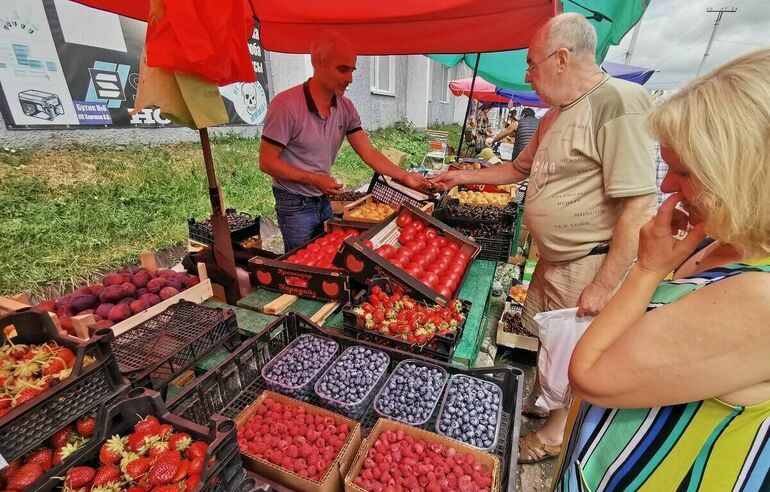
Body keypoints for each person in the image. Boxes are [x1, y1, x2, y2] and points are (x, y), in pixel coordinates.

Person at [549, 47, 770, 492]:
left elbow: (591, 375)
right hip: (601, 481)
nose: (667, 185)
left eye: (684, 171)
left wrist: (648, 269)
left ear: (749, 176)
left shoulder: (759, 299)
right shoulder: (726, 241)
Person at [431, 12, 657, 463]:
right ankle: (542, 400)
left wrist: (604, 284)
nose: (527, 75)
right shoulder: (554, 115)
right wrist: (461, 176)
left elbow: (638, 205)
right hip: (555, 259)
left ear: (561, 58)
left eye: (531, 64)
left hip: (588, 261)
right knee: (547, 338)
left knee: (576, 352)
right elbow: (517, 169)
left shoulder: (617, 103)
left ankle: (555, 435)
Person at [259, 32, 429, 252]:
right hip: (294, 202)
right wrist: (314, 179)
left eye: (352, 70)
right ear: (318, 62)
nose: (350, 79)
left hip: (323, 198)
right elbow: (267, 162)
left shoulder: (346, 108)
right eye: (342, 69)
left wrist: (404, 176)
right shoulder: (286, 105)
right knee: (301, 263)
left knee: (327, 256)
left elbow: (369, 153)